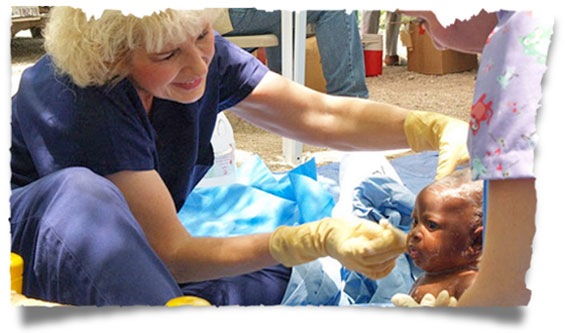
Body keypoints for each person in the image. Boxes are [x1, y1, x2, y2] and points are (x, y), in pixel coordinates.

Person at [9, 6, 469, 306]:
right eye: (168, 54)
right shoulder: (76, 96)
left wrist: (429, 126)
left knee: (281, 283)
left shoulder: (193, 49)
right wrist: (309, 238)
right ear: (112, 58)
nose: (198, 65)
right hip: (41, 250)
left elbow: (319, 114)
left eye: (204, 37)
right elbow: (171, 254)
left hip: (149, 248)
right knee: (84, 192)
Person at [396, 10, 553, 306]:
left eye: (424, 22)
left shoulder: (516, 48)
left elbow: (504, 291)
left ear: (476, 242)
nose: (438, 45)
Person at [217, 8, 369, 98]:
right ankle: (351, 102)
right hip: (221, 12)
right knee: (336, 7)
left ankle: (283, 101)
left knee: (288, 16)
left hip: (212, 14)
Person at [392, 169, 483, 306]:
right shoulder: (425, 278)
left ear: (475, 242)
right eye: (415, 221)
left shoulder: (469, 285)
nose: (415, 233)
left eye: (431, 225)